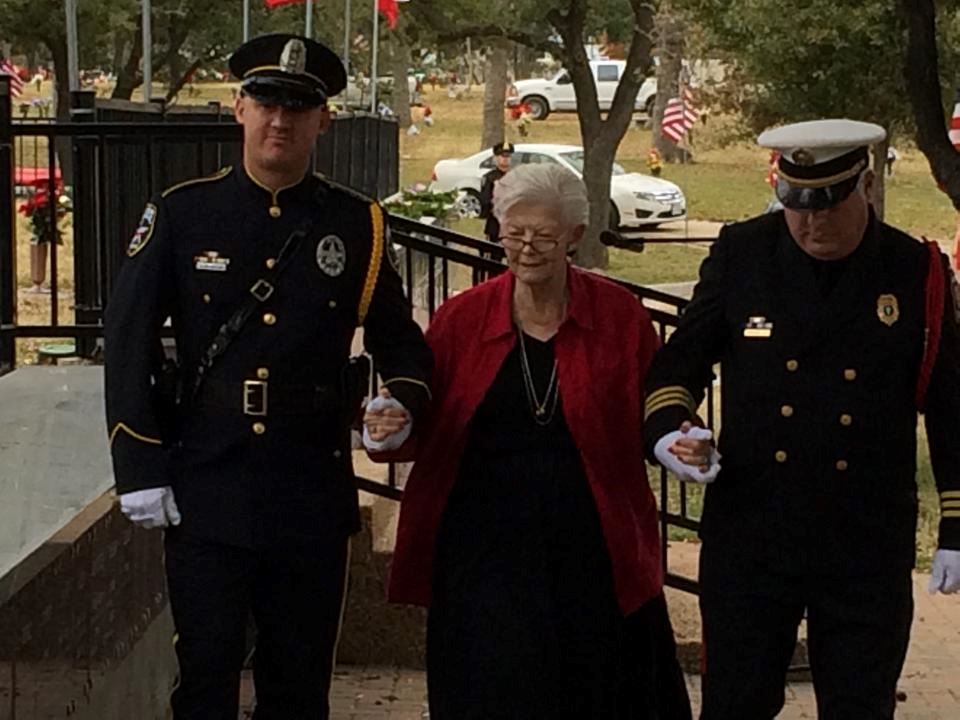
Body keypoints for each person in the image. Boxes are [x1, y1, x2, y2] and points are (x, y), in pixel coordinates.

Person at [104, 33, 432, 720]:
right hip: (208, 481)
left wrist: (400, 402)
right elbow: (129, 342)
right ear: (238, 109)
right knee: (207, 672)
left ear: (323, 120)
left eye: (298, 106)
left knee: (300, 682)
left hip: (309, 487)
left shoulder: (356, 224)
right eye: (266, 101)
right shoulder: (183, 213)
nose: (280, 119)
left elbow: (401, 344)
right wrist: (140, 462)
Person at [643, 119, 960, 720]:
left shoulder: (914, 269)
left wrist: (955, 526)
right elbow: (676, 365)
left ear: (864, 186)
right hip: (755, 530)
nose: (811, 223)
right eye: (797, 206)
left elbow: (950, 405)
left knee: (861, 704)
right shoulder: (742, 254)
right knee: (736, 701)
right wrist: (674, 432)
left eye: (828, 207)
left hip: (866, 535)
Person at [367, 163, 691, 720]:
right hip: (483, 556)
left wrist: (676, 441)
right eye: (514, 233)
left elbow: (655, 410)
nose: (527, 247)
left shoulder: (618, 316)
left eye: (544, 235)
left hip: (593, 548)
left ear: (575, 237)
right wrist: (390, 422)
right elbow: (421, 411)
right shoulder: (462, 318)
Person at [478, 140, 514, 242]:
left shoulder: (516, 176)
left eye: (508, 157)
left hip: (512, 224)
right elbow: (485, 200)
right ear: (496, 158)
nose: (505, 159)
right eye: (503, 156)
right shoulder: (490, 178)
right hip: (495, 224)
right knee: (494, 255)